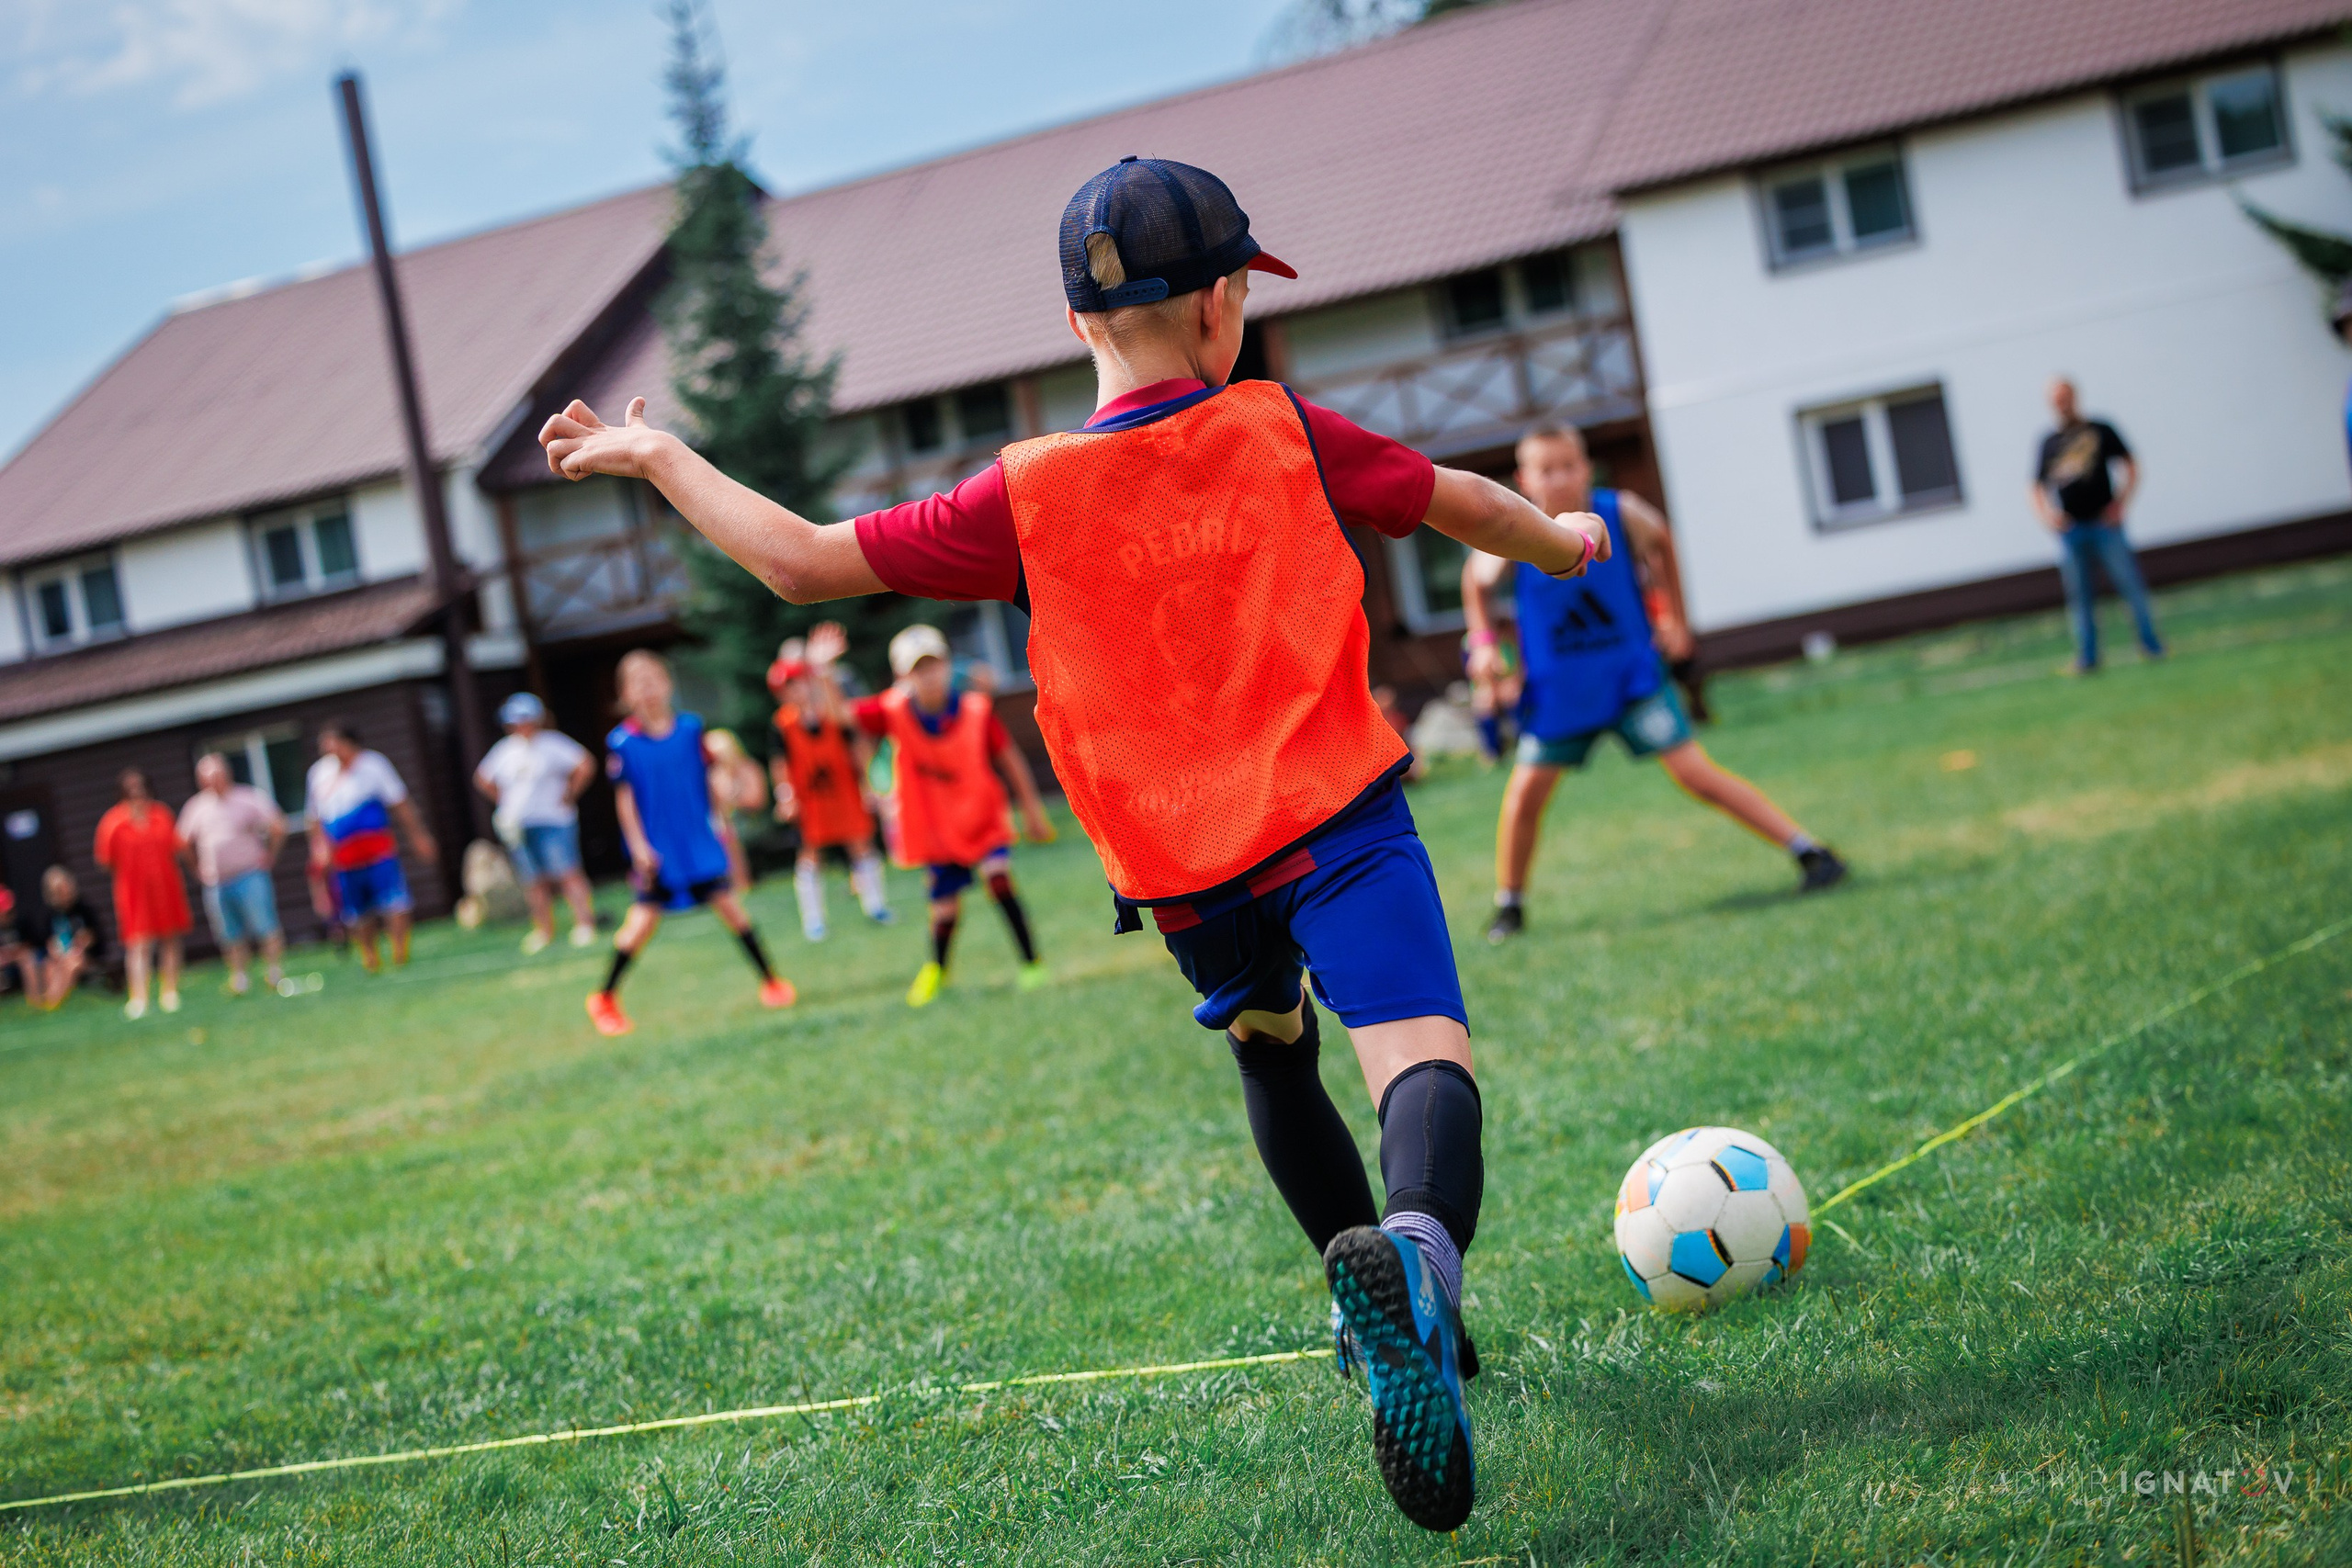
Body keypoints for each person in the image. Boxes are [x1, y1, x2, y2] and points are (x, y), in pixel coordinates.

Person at [540, 155, 1617, 1532]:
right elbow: (1459, 500)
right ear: (1223, 304)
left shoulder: (1026, 492)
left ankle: (1392, 1322)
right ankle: (1413, 1257)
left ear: (1075, 324)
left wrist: (658, 455)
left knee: (1272, 1048)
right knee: (1417, 1058)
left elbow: (802, 561)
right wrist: (1563, 541)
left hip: (1185, 867)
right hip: (1335, 815)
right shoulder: (1278, 425)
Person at [1466, 426, 1846, 944]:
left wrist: (1676, 619)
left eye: (1569, 465)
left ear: (1586, 467)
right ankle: (1509, 905)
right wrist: (1484, 642)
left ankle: (1810, 852)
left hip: (1632, 681)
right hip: (1560, 696)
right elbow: (1476, 580)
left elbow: (1662, 540)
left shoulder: (1619, 512)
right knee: (1524, 798)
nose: (1559, 478)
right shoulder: (1519, 527)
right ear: (1524, 479)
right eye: (1546, 470)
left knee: (1697, 775)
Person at [835, 624, 1052, 1007]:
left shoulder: (974, 709)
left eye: (934, 665)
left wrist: (1032, 811)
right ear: (902, 676)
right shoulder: (892, 711)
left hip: (981, 818)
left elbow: (1010, 759)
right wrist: (823, 672)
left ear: (948, 665)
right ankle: (937, 969)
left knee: (998, 880)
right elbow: (839, 716)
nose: (929, 676)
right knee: (945, 909)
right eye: (918, 669)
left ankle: (1032, 963)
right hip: (938, 829)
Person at [585, 649, 796, 1037]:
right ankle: (604, 998)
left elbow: (711, 782)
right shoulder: (623, 743)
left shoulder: (691, 731)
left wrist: (723, 815)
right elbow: (625, 801)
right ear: (625, 694)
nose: (648, 689)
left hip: (697, 843)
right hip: (659, 850)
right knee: (641, 924)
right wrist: (639, 847)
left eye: (653, 679)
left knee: (733, 910)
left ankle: (772, 982)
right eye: (638, 684)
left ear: (668, 684)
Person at [768, 622, 892, 941]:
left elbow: (856, 747)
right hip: (811, 798)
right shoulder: (784, 724)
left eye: (798, 682)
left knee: (860, 844)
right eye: (788, 686)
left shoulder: (831, 713)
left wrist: (869, 785)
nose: (796, 691)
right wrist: (785, 795)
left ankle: (876, 906)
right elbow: (780, 764)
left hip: (844, 790)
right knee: (810, 854)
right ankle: (814, 921)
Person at [2031, 378, 2163, 674]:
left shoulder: (2100, 430)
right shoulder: (2048, 442)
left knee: (2129, 585)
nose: (2062, 404)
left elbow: (2131, 465)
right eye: (2056, 400)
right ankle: (2088, 658)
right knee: (2080, 597)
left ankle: (2151, 645)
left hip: (2105, 526)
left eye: (2066, 397)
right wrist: (2048, 516)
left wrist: (2121, 503)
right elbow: (2035, 487)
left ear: (2075, 397)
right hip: (2072, 531)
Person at [305, 720, 438, 973]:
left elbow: (400, 803)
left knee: (394, 902)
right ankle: (370, 957)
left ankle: (399, 953)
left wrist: (418, 837)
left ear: (348, 742)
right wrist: (318, 849)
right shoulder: (319, 774)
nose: (328, 750)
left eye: (333, 743)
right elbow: (314, 817)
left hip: (377, 851)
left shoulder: (373, 765)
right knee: (356, 911)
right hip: (343, 856)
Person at [473, 693, 599, 954]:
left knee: (567, 873)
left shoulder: (553, 743)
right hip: (518, 826)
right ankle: (544, 931)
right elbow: (482, 778)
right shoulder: (504, 750)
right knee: (534, 881)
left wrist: (570, 794)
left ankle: (584, 924)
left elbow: (585, 764)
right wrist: (504, 802)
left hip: (554, 821)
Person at [178, 752, 290, 997]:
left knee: (265, 926)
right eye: (207, 777)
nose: (212, 781)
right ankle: (240, 979)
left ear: (227, 774)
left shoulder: (247, 797)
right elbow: (182, 842)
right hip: (216, 882)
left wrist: (270, 855)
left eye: (216, 775)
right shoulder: (196, 807)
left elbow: (278, 825)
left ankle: (275, 973)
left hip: (250, 874)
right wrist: (196, 868)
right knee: (229, 934)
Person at [94, 768, 193, 1018]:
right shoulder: (113, 821)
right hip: (134, 893)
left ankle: (170, 992)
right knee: (138, 944)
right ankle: (139, 998)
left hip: (165, 888)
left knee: (170, 938)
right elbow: (105, 860)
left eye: (140, 786)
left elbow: (176, 846)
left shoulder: (161, 814)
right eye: (130, 788)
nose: (136, 792)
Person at [702, 726, 769, 896]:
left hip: (748, 819)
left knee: (727, 834)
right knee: (719, 830)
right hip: (723, 822)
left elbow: (757, 801)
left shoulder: (748, 769)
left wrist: (734, 800)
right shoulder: (713, 775)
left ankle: (741, 883)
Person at [33, 865, 102, 1010]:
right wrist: (54, 951)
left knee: (71, 963)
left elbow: (93, 938)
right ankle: (50, 1002)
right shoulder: (50, 915)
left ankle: (53, 1003)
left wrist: (81, 944)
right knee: (50, 966)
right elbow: (49, 942)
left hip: (83, 956)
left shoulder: (83, 909)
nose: (65, 893)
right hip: (60, 957)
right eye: (59, 890)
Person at [0, 886, 41, 1008]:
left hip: (23, 959)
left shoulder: (21, 921)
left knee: (27, 959)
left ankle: (35, 1001)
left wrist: (15, 953)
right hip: (5, 962)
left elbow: (33, 942)